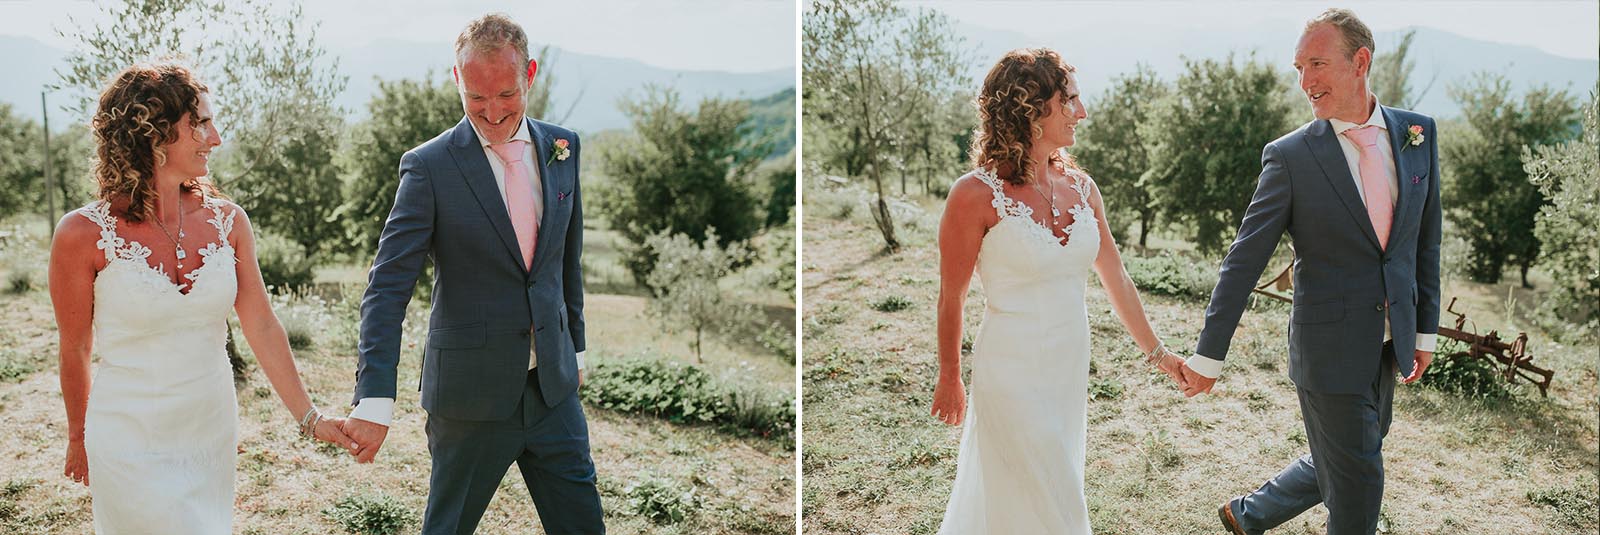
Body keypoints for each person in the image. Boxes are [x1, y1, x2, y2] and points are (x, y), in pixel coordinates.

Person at [49, 60, 357, 534]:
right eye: (200, 124)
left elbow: (262, 325)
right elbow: (75, 347)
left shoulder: (229, 222)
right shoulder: (81, 234)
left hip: (209, 432)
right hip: (127, 437)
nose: (214, 138)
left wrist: (310, 416)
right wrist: (77, 436)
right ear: (151, 133)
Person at [1177, 9, 1441, 535]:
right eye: (1299, 68)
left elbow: (1423, 240)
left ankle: (1249, 514)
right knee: (1360, 487)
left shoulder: (1418, 133)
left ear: (1360, 62)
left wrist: (1425, 330)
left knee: (1350, 455)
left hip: (1391, 340)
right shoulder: (1291, 157)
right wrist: (1210, 355)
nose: (1305, 82)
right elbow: (1244, 259)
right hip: (1326, 349)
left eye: (1317, 64)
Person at [340, 13, 604, 534]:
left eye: (506, 95)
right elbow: (388, 289)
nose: (492, 113)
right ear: (457, 80)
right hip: (468, 398)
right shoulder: (429, 166)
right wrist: (374, 396)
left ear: (529, 74)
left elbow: (562, 262)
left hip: (553, 390)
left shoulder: (563, 147)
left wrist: (574, 346)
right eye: (476, 99)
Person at [929, 47, 1188, 534]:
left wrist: (1160, 355)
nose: (1082, 112)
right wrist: (950, 375)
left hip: (1067, 366)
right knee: (1054, 498)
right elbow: (951, 297)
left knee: (1030, 490)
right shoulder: (974, 194)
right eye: (1069, 100)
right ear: (1030, 108)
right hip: (1009, 370)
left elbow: (1117, 277)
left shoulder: (1083, 188)